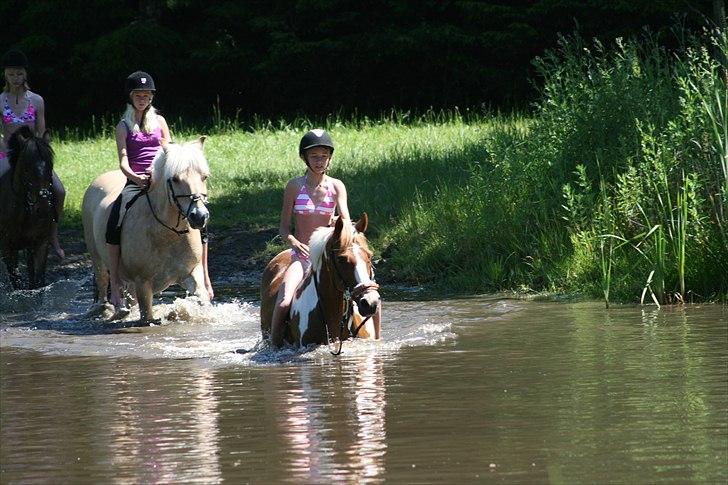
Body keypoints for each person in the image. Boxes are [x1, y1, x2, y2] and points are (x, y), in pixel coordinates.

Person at [105, 70, 214, 314]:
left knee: (198, 215)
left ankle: (205, 277)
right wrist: (135, 177)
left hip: (162, 179)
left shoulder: (160, 122)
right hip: (136, 180)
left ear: (151, 97)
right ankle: (114, 282)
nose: (142, 98)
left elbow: (170, 152)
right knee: (115, 218)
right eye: (138, 95)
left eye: (146, 95)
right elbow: (123, 159)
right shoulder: (123, 126)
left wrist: (166, 174)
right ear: (131, 97)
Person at [269, 128, 381, 346]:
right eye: (314, 156)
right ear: (305, 158)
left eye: (324, 156)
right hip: (302, 257)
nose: (320, 161)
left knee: (370, 290)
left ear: (329, 158)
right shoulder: (294, 186)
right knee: (283, 302)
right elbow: (284, 228)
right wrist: (294, 243)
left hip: (329, 255)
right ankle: (274, 349)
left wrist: (341, 223)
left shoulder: (337, 186)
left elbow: (346, 222)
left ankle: (377, 341)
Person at [1, 49, 65, 258]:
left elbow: (40, 131)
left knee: (58, 189)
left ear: (25, 74)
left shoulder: (36, 100)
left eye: (19, 73)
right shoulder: (0, 100)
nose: (16, 78)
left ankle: (52, 235)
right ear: (5, 75)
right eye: (11, 74)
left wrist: (39, 152)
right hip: (7, 153)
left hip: (33, 155)